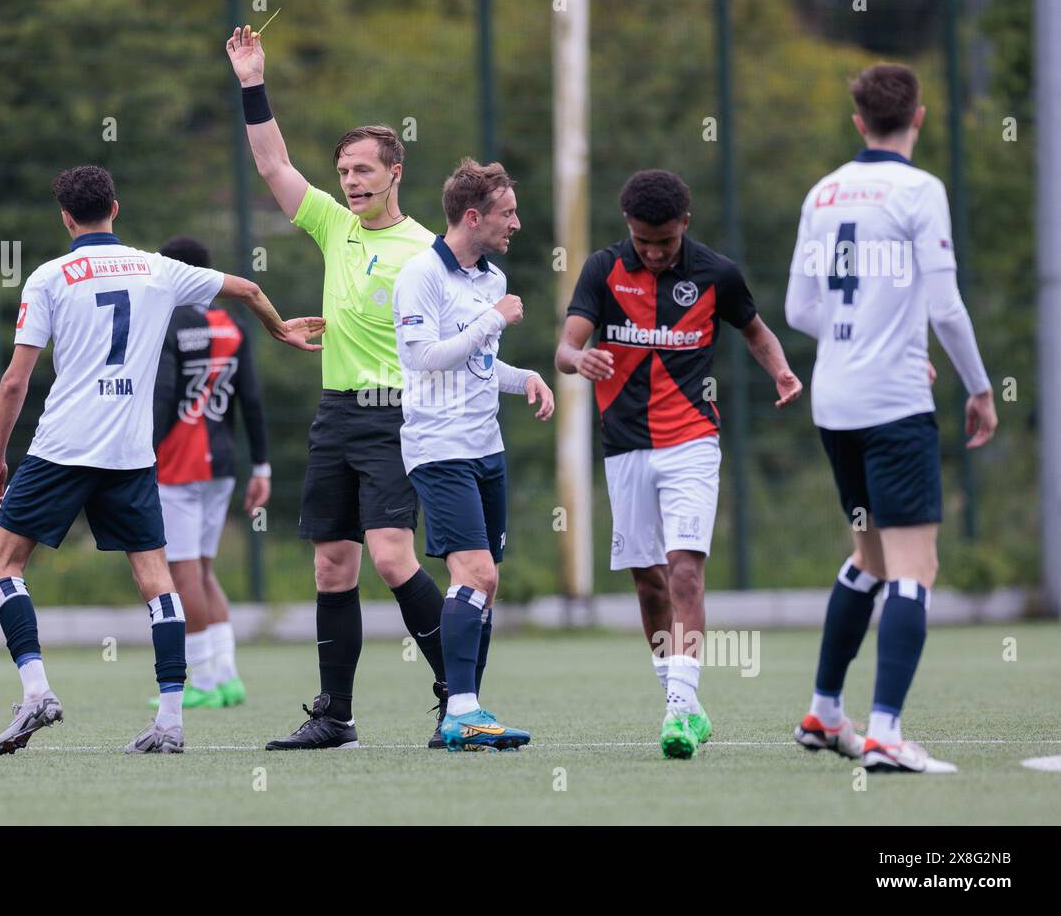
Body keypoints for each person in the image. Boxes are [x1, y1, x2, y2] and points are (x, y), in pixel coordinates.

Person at [0, 165, 322, 756]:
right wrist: (279, 331)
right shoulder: (155, 268)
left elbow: (15, 382)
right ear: (116, 206)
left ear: (65, 217)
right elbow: (245, 288)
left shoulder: (49, 277)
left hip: (62, 446)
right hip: (130, 453)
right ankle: (170, 721)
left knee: (3, 565)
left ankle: (36, 690)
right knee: (156, 579)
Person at [225, 24, 451, 750]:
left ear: (395, 173)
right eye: (344, 170)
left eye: (363, 170)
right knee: (332, 564)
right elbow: (271, 161)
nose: (351, 181)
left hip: (395, 416)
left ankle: (462, 693)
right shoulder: (331, 222)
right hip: (336, 412)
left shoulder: (427, 251)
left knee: (391, 556)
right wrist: (253, 81)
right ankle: (336, 716)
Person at [786, 63, 996, 774]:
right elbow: (946, 306)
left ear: (857, 122)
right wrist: (980, 386)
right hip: (893, 403)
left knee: (869, 556)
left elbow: (800, 311)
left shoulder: (823, 192)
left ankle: (825, 711)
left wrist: (861, 339)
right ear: (921, 117)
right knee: (916, 565)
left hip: (835, 400)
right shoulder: (919, 189)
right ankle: (883, 732)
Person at [555, 169, 802, 759]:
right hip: (626, 446)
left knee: (685, 571)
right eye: (644, 242)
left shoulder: (717, 273)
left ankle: (681, 707)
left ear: (684, 224)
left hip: (692, 440)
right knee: (648, 583)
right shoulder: (602, 270)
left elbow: (756, 331)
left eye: (665, 242)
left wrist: (783, 370)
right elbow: (566, 346)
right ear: (629, 229)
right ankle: (681, 698)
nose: (656, 252)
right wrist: (576, 359)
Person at [393, 159, 553, 751]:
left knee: (487, 584)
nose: (516, 223)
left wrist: (525, 377)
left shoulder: (491, 280)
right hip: (439, 446)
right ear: (472, 216)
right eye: (507, 213)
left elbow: (477, 363)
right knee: (476, 574)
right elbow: (424, 357)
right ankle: (460, 709)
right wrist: (493, 320)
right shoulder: (420, 275)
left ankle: (466, 713)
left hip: (487, 447)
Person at [146, 236, 267, 711]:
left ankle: (201, 679)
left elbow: (163, 396)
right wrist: (263, 464)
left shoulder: (170, 323)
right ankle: (227, 675)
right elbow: (251, 401)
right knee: (205, 569)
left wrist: (144, 450)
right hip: (223, 462)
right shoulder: (232, 326)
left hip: (178, 464)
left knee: (182, 572)